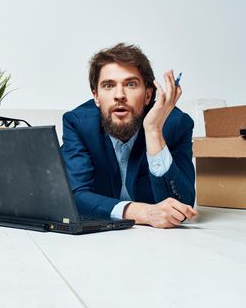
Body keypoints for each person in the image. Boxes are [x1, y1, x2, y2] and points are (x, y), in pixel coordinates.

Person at [61, 43, 198, 228]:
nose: (119, 95)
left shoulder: (176, 124)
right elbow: (73, 195)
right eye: (108, 85)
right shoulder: (78, 123)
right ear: (96, 96)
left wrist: (153, 131)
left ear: (148, 95)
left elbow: (182, 207)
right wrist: (144, 213)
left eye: (131, 84)